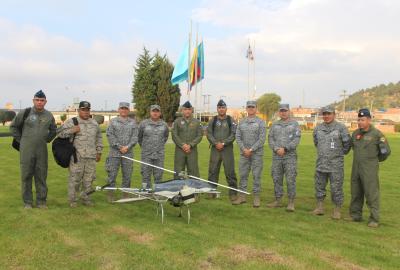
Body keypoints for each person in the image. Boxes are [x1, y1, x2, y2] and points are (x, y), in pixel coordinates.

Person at [10, 90, 56, 209]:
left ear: (45, 102)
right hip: (26, 150)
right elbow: (13, 127)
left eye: (42, 100)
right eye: (37, 100)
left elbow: (53, 130)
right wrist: (21, 141)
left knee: (41, 175)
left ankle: (41, 201)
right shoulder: (25, 113)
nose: (39, 102)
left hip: (41, 150)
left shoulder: (49, 115)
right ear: (33, 100)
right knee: (26, 175)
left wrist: (47, 140)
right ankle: (28, 202)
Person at [349, 108, 391, 228]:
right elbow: (352, 147)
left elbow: (385, 151)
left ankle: (374, 218)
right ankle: (356, 215)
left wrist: (374, 161)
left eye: (362, 120)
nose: (360, 122)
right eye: (358, 120)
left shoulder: (377, 135)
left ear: (369, 120)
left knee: (371, 193)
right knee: (356, 192)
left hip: (369, 170)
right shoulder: (355, 133)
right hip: (356, 168)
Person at [57, 101, 103, 207]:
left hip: (91, 157)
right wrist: (72, 130)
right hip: (76, 156)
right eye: (83, 110)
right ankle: (72, 200)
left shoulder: (94, 123)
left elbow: (99, 138)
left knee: (89, 179)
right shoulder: (72, 121)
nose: (86, 112)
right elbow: (59, 133)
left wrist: (99, 151)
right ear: (79, 111)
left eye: (87, 110)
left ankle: (86, 198)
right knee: (75, 179)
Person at [312, 106, 351, 219]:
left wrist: (337, 154)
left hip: (336, 165)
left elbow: (347, 144)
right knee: (319, 186)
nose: (326, 116)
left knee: (336, 188)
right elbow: (316, 142)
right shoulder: (318, 128)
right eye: (324, 114)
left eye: (329, 114)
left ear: (334, 114)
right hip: (321, 163)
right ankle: (319, 207)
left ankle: (337, 210)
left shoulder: (341, 128)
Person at [267, 104, 301, 212]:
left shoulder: (294, 124)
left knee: (290, 179)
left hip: (289, 156)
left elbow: (296, 139)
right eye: (281, 111)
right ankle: (278, 200)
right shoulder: (275, 124)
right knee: (276, 178)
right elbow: (270, 138)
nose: (283, 113)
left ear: (289, 111)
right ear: (279, 112)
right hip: (277, 156)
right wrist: (276, 149)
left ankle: (291, 202)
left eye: (285, 111)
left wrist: (285, 149)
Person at [233, 100, 266, 207]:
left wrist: (251, 150)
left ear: (256, 109)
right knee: (243, 175)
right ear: (246, 109)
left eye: (253, 107)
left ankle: (256, 198)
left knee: (256, 176)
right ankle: (241, 197)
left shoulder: (261, 122)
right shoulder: (241, 122)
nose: (251, 109)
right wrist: (244, 149)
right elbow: (237, 137)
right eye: (249, 107)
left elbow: (262, 139)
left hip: (256, 154)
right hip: (244, 154)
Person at [206, 99, 238, 202]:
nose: (221, 109)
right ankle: (212, 191)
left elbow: (233, 134)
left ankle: (233, 193)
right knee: (213, 170)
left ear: (226, 108)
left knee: (230, 171)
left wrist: (223, 143)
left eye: (223, 107)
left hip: (227, 149)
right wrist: (216, 143)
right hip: (215, 149)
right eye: (219, 108)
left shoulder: (230, 120)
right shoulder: (213, 120)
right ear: (217, 109)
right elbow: (209, 133)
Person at [105, 102, 138, 201]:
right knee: (112, 174)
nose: (123, 110)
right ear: (118, 109)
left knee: (127, 174)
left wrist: (127, 147)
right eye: (122, 108)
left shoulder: (133, 122)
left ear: (128, 110)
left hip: (128, 153)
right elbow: (110, 135)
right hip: (114, 153)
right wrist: (119, 147)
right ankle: (111, 193)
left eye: (125, 108)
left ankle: (125, 193)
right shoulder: (113, 121)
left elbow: (135, 137)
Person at [138, 105, 169, 189]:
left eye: (157, 111)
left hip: (159, 154)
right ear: (150, 112)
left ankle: (156, 192)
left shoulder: (164, 124)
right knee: (145, 174)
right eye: (153, 111)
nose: (155, 113)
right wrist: (146, 147)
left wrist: (158, 146)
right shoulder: (143, 124)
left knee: (158, 174)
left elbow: (165, 137)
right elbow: (139, 137)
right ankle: (146, 192)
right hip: (146, 154)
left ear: (160, 113)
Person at [171, 101, 202, 178]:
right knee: (179, 170)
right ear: (182, 110)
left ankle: (194, 188)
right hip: (180, 150)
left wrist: (190, 145)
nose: (187, 111)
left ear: (192, 110)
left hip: (192, 150)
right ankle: (178, 187)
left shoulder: (197, 122)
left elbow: (199, 135)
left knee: (193, 170)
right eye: (185, 109)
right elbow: (174, 135)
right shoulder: (177, 121)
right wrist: (183, 145)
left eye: (189, 109)